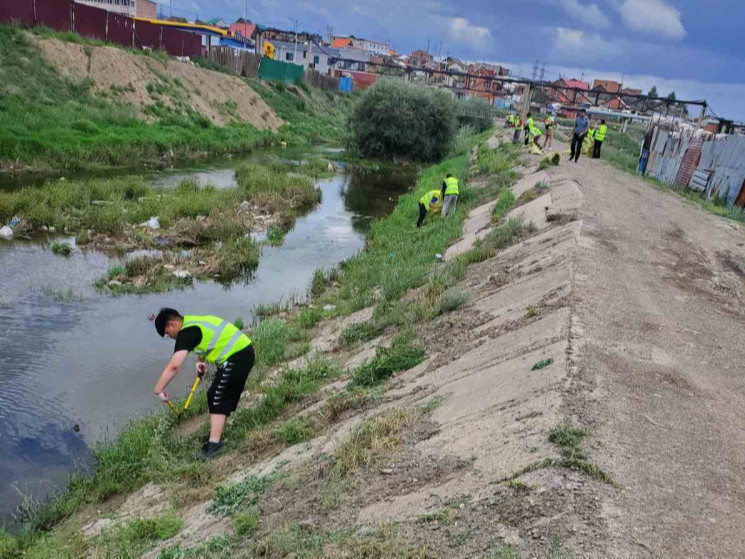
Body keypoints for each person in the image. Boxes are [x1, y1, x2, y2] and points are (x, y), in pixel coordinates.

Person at [152, 308, 255, 459]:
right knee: (218, 394)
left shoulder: (186, 333)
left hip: (238, 357)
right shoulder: (192, 321)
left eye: (167, 333)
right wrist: (200, 361)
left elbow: (174, 365)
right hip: (241, 353)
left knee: (217, 396)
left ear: (172, 324)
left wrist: (158, 389)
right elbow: (206, 340)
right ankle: (216, 438)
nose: (171, 337)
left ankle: (214, 446)